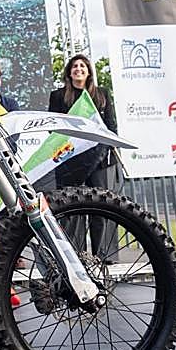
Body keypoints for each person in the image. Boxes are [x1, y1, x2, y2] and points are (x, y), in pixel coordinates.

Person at [48, 53, 120, 261]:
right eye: (74, 66)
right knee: (73, 207)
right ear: (69, 73)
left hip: (100, 161)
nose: (78, 69)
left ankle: (104, 254)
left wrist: (102, 149)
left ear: (88, 72)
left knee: (101, 206)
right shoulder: (58, 96)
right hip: (71, 161)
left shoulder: (102, 94)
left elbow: (111, 127)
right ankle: (75, 254)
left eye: (82, 66)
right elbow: (53, 129)